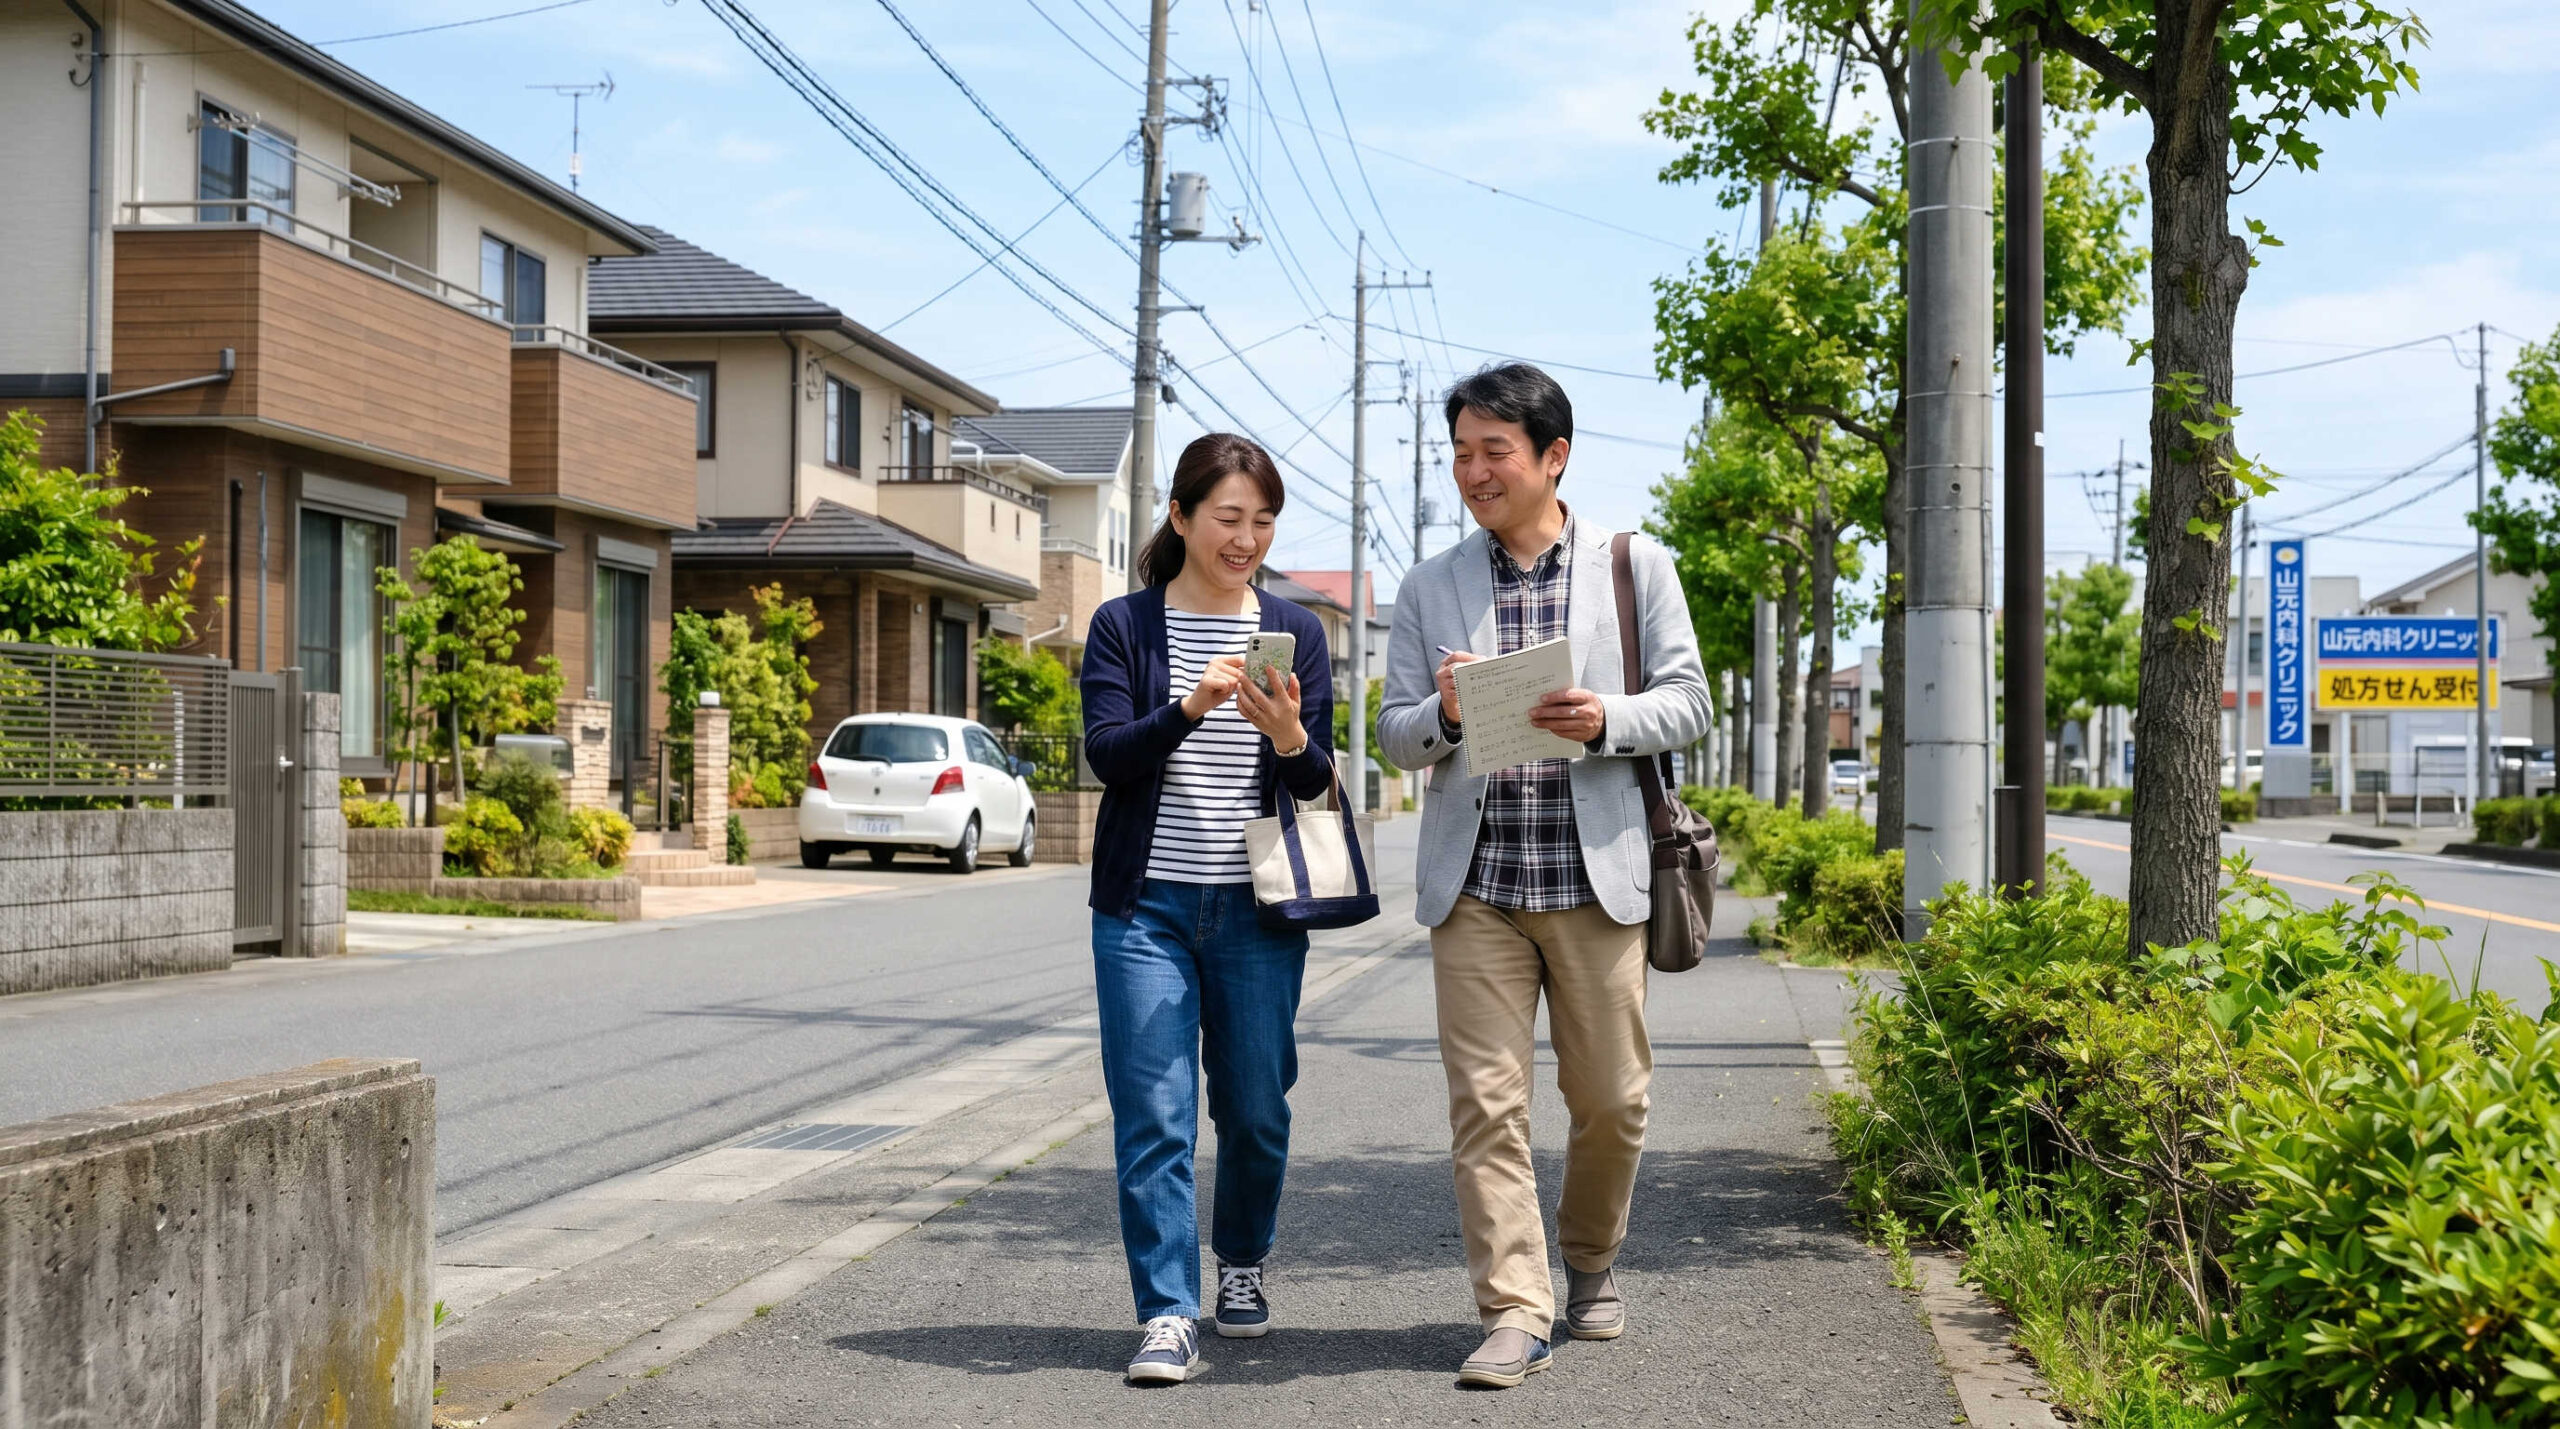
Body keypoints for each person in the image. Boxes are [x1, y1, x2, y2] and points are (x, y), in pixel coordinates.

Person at [1375, 363, 1713, 1388]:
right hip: (1475, 883)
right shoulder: (1430, 584)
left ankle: (1590, 1256)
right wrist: (1443, 714)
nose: (1473, 470)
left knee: (1612, 1101)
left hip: (1595, 878)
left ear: (1551, 457)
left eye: (1494, 451)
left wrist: (1604, 717)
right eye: (1462, 452)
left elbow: (1690, 702)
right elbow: (1395, 737)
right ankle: (1515, 1307)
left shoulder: (1631, 563)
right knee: (1486, 1106)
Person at [1080, 432, 1337, 1386]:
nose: (1246, 539)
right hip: (1143, 908)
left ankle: (1241, 1261)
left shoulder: (1298, 630)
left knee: (1256, 1108)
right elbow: (1107, 754)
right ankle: (1165, 1310)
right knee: (1155, 1113)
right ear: (1182, 516)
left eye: (1263, 521)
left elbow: (1316, 778)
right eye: (1229, 517)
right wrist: (1188, 707)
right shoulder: (1125, 625)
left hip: (1259, 909)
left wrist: (1290, 734)